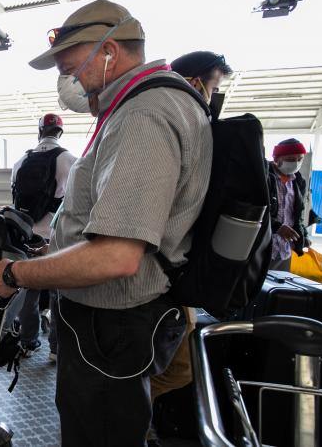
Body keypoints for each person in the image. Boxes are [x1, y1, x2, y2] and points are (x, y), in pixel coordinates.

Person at [0, 0, 212, 445]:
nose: (68, 83)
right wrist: (52, 252)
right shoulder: (141, 106)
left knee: (99, 432)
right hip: (110, 326)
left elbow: (116, 256)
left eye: (72, 70)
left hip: (112, 327)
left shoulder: (144, 115)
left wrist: (17, 274)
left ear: (109, 52)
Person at [144, 50, 233, 447]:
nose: (215, 97)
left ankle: (144, 418)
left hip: (173, 278)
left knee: (177, 364)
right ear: (195, 81)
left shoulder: (189, 126)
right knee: (170, 365)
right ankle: (141, 420)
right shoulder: (175, 123)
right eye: (214, 86)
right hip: (161, 280)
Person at [11, 113, 76, 360]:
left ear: (40, 131)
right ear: (60, 132)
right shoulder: (69, 159)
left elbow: (15, 199)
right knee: (58, 294)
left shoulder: (22, 160)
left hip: (27, 235)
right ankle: (56, 349)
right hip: (55, 238)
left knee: (29, 291)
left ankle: (28, 341)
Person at [268, 138, 311, 271]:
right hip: (264, 247)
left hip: (285, 250)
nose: (296, 163)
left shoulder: (298, 182)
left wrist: (303, 235)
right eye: (291, 159)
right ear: (276, 158)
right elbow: (257, 210)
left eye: (300, 159)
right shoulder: (264, 177)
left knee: (279, 289)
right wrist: (277, 227)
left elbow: (298, 214)